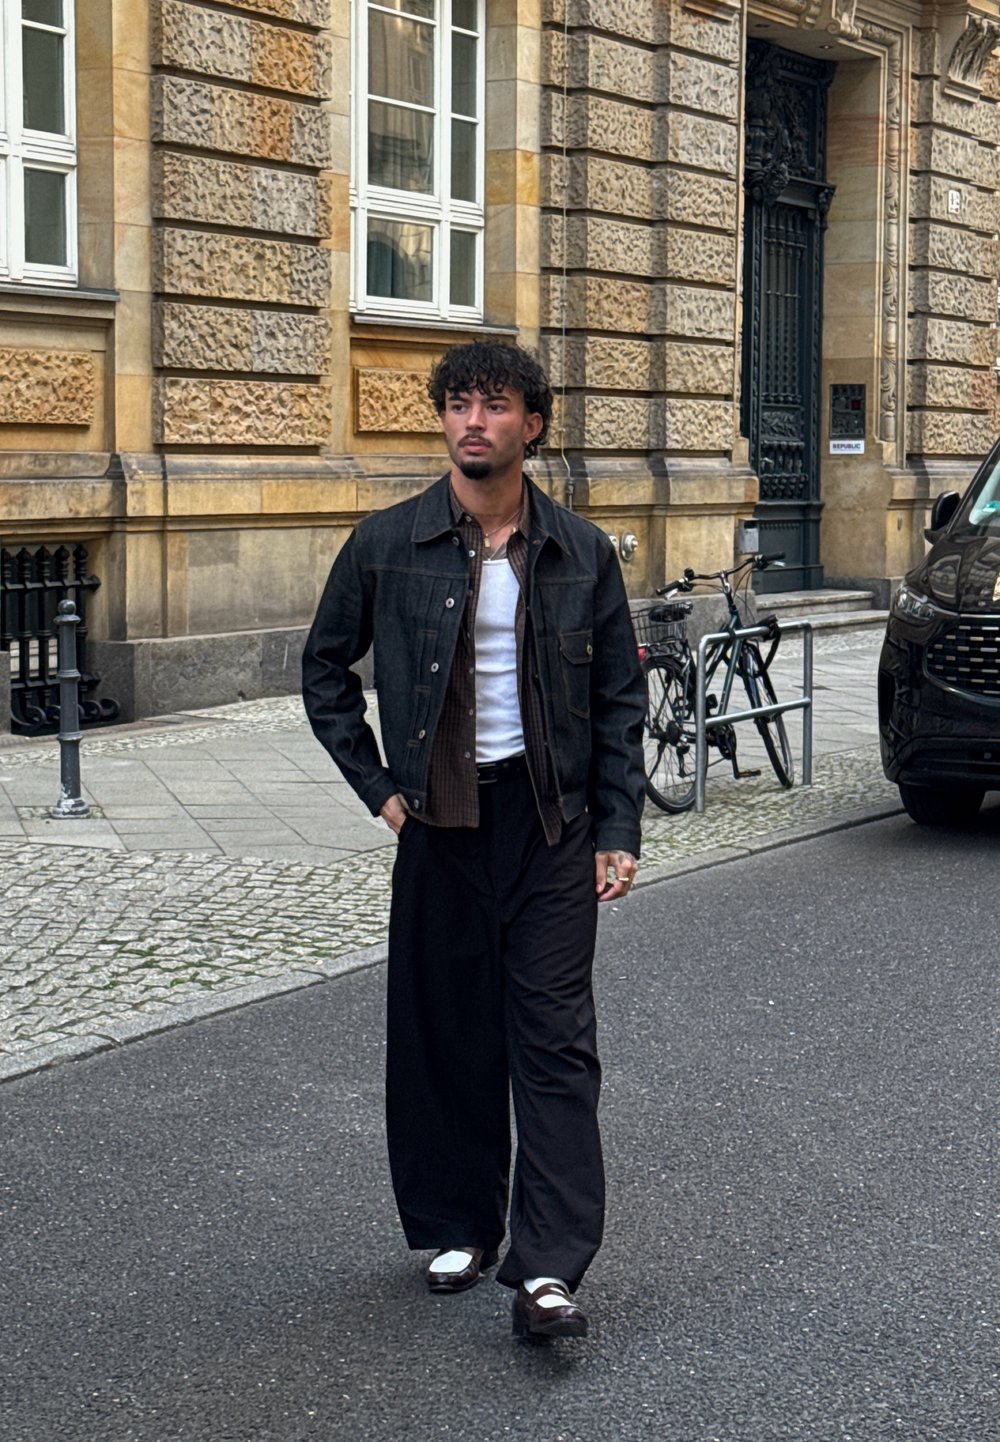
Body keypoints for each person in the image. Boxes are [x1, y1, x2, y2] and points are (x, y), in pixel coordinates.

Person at [302, 340, 645, 1340]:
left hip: (548, 825)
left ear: (532, 423)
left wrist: (615, 826)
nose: (473, 422)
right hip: (440, 823)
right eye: (458, 404)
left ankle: (548, 1267)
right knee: (444, 1031)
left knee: (553, 1041)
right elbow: (324, 670)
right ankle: (458, 1223)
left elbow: (617, 700)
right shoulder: (387, 540)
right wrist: (379, 790)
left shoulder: (579, 550)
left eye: (494, 406)